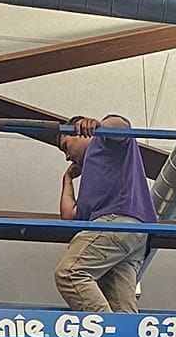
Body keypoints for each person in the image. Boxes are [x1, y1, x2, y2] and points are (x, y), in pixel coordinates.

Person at [54, 112, 158, 315]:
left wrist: (99, 125)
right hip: (135, 234)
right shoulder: (94, 183)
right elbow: (69, 217)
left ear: (80, 131)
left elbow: (122, 126)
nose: (67, 156)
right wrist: (67, 179)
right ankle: (122, 333)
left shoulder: (103, 142)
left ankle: (105, 327)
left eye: (66, 147)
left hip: (115, 223)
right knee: (122, 306)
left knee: (69, 273)